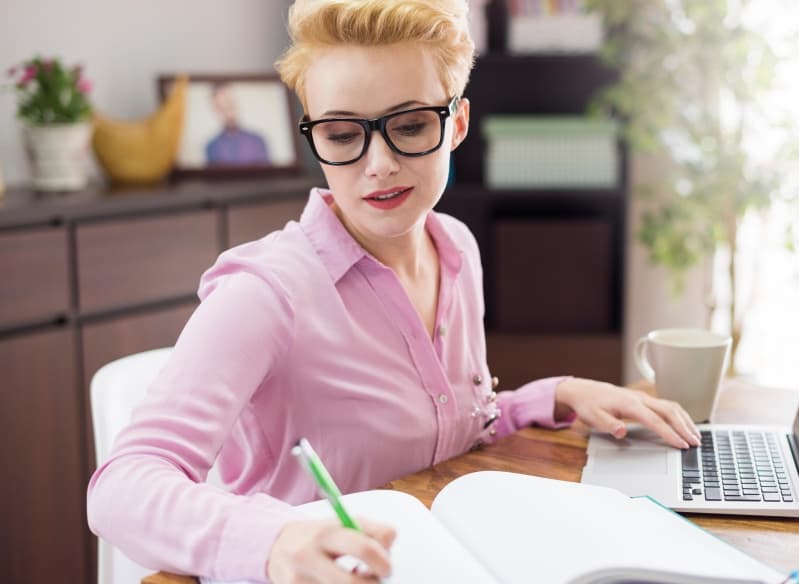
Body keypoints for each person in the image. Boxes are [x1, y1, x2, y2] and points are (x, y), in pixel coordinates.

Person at [86, 1, 703, 582]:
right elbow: (121, 488)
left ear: (456, 123)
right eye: (341, 134)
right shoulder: (264, 293)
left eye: (409, 125)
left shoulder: (456, 249)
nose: (377, 163)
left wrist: (558, 394)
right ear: (314, 139)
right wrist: (274, 541)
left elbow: (456, 427)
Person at [205, 82, 271, 165]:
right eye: (221, 107)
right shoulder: (212, 147)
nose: (228, 112)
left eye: (229, 104)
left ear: (236, 102)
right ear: (216, 109)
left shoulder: (257, 141)